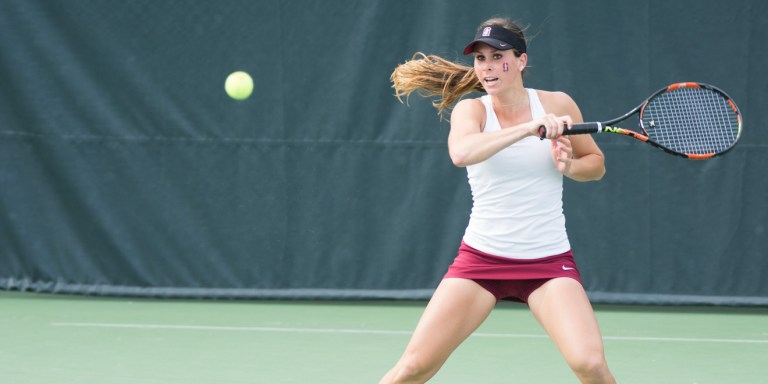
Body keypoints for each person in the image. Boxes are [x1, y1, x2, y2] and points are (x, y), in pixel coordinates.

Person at [380, 18, 616, 383]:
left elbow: (596, 165)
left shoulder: (557, 103)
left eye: (497, 56)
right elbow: (462, 153)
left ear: (521, 61)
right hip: (481, 262)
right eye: (481, 59)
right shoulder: (471, 110)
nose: (487, 67)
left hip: (548, 263)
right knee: (413, 368)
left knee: (591, 365)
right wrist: (526, 128)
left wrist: (569, 165)